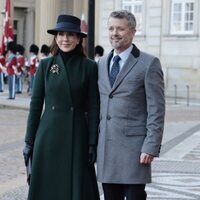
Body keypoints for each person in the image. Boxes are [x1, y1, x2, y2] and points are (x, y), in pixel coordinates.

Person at [23, 14, 100, 200]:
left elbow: (94, 106)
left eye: (70, 35)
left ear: (79, 39)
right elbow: (35, 106)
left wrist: (92, 142)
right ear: (56, 38)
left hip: (77, 134)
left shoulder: (89, 67)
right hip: (48, 134)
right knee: (48, 186)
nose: (65, 39)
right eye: (61, 34)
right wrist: (29, 141)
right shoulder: (45, 66)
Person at [96, 10, 165, 200]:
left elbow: (156, 110)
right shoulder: (101, 63)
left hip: (134, 150)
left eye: (120, 28)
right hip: (107, 150)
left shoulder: (149, 64)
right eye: (111, 28)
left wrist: (151, 146)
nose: (114, 33)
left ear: (133, 31)